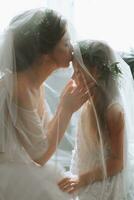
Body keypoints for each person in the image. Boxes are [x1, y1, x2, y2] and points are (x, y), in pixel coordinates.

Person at [0, 8, 88, 200]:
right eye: (65, 43)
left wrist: (64, 108)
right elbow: (39, 156)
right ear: (44, 55)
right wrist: (65, 109)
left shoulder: (34, 83)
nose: (72, 48)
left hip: (18, 162)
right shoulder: (20, 87)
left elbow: (42, 137)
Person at [58, 40, 134, 199]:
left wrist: (81, 179)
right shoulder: (87, 102)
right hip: (84, 172)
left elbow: (117, 162)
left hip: (103, 182)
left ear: (97, 71)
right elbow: (82, 148)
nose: (73, 77)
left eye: (78, 72)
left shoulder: (113, 111)